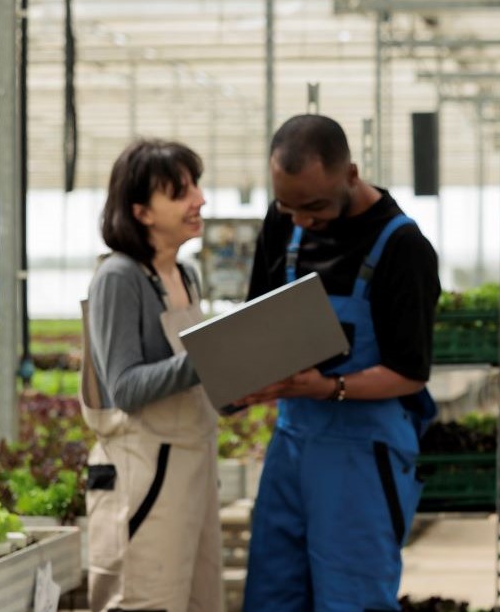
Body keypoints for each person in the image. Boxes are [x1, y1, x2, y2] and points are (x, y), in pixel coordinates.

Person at [240, 114, 441, 612]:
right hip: (291, 442)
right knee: (272, 592)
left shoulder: (402, 247)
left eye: (314, 206)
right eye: (289, 206)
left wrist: (328, 388)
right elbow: (255, 320)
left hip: (363, 451)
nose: (301, 220)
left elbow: (410, 371)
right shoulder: (283, 220)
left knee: (352, 598)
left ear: (350, 174)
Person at [80, 138, 222, 612]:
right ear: (141, 211)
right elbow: (125, 387)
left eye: (196, 186)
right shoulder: (120, 279)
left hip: (193, 468)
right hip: (146, 475)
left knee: (200, 601)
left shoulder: (185, 274)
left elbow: (191, 376)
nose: (199, 199)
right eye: (181, 192)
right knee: (146, 601)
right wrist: (215, 354)